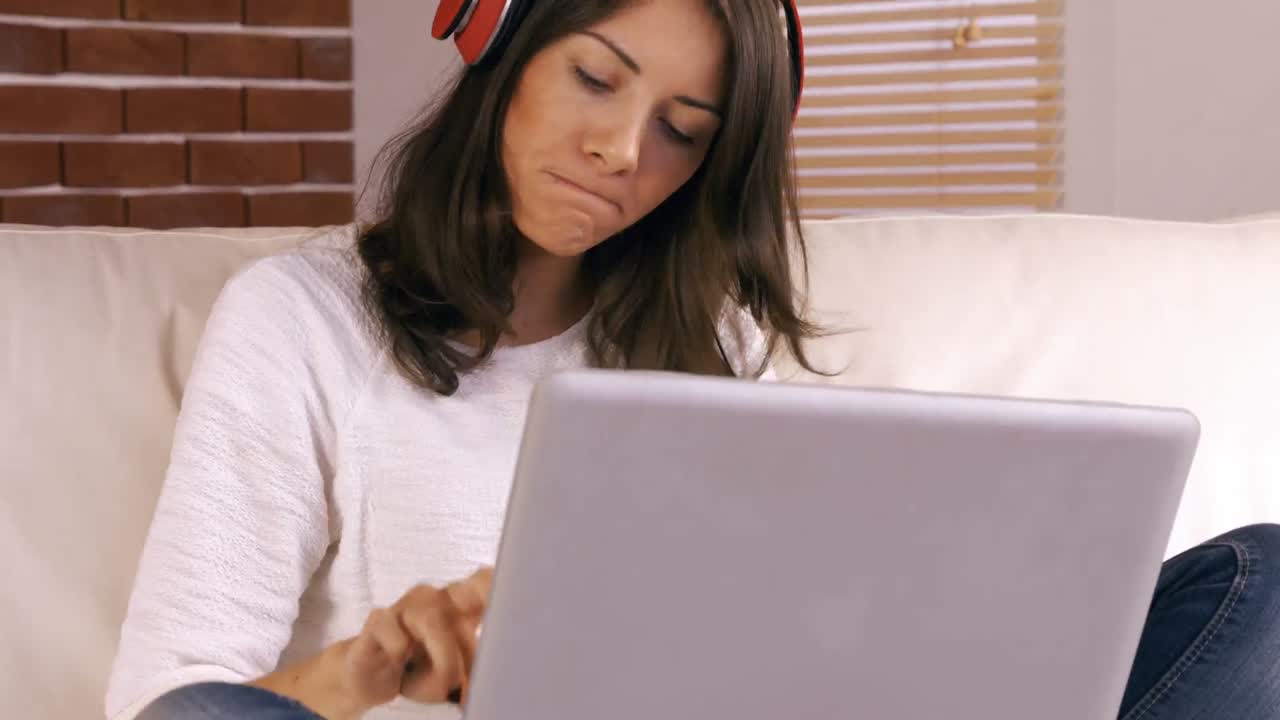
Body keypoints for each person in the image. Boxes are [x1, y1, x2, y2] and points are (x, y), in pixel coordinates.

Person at [105, 1, 1280, 719]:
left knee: (1261, 588)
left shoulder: (708, 339)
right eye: (595, 77)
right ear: (497, 42)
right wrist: (366, 668)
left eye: (681, 132)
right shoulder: (303, 321)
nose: (621, 150)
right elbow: (173, 705)